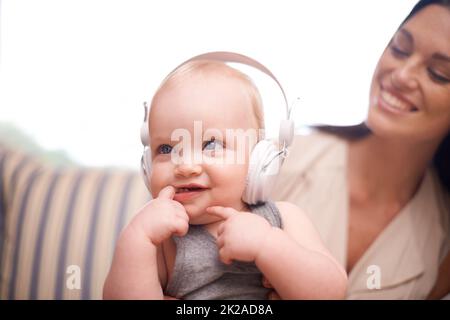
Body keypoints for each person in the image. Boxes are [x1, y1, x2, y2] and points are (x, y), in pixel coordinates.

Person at [102, 58, 348, 299]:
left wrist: (267, 245)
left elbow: (332, 292)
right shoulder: (163, 242)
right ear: (148, 165)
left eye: (211, 144)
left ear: (257, 160)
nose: (185, 166)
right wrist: (136, 240)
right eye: (166, 149)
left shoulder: (283, 219)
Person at [270, 0, 450, 299]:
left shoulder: (443, 245)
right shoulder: (279, 160)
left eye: (439, 73)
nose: (402, 75)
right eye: (400, 49)